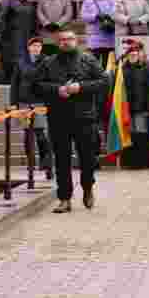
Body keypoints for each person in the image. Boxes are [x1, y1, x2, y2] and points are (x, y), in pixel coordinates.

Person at [33, 29, 109, 213]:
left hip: (84, 117)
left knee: (88, 158)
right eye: (62, 40)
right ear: (58, 43)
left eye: (70, 39)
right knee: (61, 159)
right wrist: (56, 90)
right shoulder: (48, 62)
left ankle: (88, 187)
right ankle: (64, 198)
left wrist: (80, 87)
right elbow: (36, 86)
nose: (66, 42)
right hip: (58, 118)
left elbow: (104, 81)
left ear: (76, 41)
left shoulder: (88, 60)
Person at [10, 37, 54, 180]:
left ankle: (45, 161)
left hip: (39, 101)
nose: (36, 48)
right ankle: (30, 162)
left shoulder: (47, 61)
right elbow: (15, 83)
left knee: (41, 134)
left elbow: (50, 81)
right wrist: (13, 102)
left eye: (39, 46)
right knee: (27, 133)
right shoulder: (21, 62)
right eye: (34, 46)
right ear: (29, 47)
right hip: (24, 101)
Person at [120, 40, 149, 169]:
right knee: (131, 134)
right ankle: (131, 161)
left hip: (142, 108)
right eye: (131, 54)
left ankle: (143, 161)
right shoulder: (123, 69)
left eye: (136, 54)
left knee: (142, 134)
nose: (133, 56)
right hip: (127, 108)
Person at [0, 0, 39, 84]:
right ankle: (11, 79)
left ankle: (24, 78)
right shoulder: (8, 1)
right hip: (14, 34)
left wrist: (35, 34)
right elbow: (2, 18)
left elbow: (34, 19)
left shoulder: (28, 3)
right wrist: (3, 33)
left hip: (28, 34)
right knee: (14, 57)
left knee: (26, 56)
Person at [80, 0, 116, 68]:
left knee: (107, 63)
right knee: (94, 63)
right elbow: (84, 16)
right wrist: (95, 16)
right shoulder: (88, 1)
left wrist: (108, 15)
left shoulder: (110, 0)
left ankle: (106, 80)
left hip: (108, 35)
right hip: (94, 36)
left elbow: (116, 12)